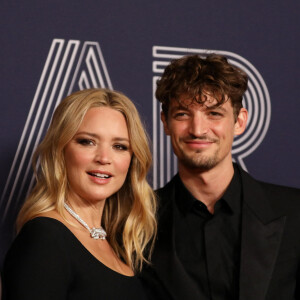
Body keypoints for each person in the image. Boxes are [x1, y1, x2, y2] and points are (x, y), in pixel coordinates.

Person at [140, 54, 300, 300]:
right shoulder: (137, 221)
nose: (198, 129)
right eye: (183, 114)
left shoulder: (294, 212)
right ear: (165, 122)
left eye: (214, 114)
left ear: (239, 121)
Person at [2, 88, 156, 300]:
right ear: (61, 150)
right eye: (87, 141)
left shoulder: (119, 242)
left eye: (119, 146)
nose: (104, 158)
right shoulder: (45, 238)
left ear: (132, 160)